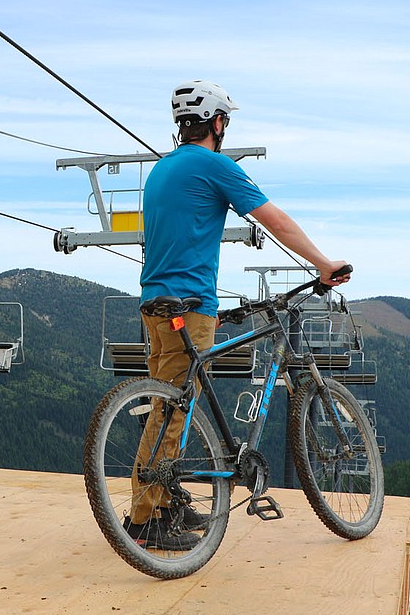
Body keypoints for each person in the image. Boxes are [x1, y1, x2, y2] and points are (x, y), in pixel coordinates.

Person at [129, 80, 351, 551]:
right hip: (190, 305)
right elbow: (273, 217)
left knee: (173, 404)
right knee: (172, 410)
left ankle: (166, 503)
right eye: (224, 121)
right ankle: (146, 519)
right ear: (217, 123)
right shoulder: (214, 165)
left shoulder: (162, 169)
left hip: (156, 301)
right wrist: (322, 263)